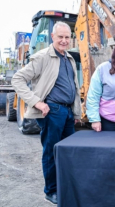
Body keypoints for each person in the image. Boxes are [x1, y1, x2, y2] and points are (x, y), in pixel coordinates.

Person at [12, 21, 82, 205]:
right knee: (51, 152)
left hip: (66, 113)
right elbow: (18, 79)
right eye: (60, 37)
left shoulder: (69, 58)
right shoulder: (43, 56)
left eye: (67, 37)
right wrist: (37, 102)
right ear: (53, 37)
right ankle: (51, 191)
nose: (64, 41)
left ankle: (64, 186)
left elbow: (73, 86)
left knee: (68, 152)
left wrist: (75, 113)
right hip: (52, 111)